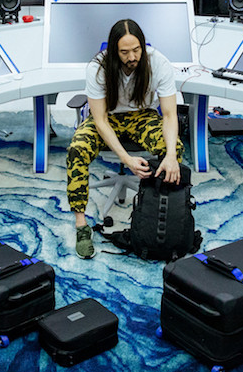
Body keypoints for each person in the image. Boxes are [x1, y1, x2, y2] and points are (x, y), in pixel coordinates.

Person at [66, 18, 183, 259]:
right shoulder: (98, 68)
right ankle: (81, 225)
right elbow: (100, 120)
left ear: (143, 45)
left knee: (174, 148)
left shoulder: (158, 63)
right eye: (125, 52)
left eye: (136, 50)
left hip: (142, 116)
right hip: (107, 118)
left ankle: (158, 214)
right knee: (77, 149)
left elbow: (170, 115)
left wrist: (171, 155)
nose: (132, 57)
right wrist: (126, 159)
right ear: (113, 51)